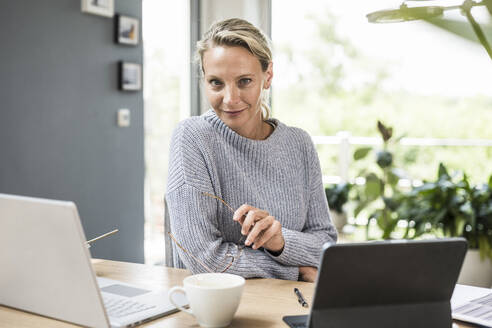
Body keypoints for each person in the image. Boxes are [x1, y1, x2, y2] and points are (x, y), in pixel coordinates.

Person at [165, 18, 337, 282]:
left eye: (244, 81)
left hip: (290, 305)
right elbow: (204, 259)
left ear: (267, 77)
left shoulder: (299, 144)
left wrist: (280, 242)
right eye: (216, 83)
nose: (230, 99)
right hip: (215, 312)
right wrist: (293, 270)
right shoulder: (192, 138)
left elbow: (325, 245)